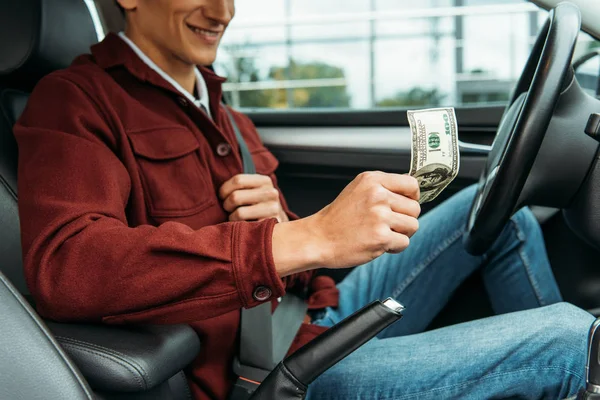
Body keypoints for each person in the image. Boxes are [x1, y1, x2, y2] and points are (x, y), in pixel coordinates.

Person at [13, 0, 594, 399]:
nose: (223, 11)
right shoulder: (75, 101)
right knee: (569, 338)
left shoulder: (228, 116)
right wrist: (304, 235)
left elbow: (282, 258)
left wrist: (282, 224)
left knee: (502, 218)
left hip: (312, 310)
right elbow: (69, 268)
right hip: (269, 373)